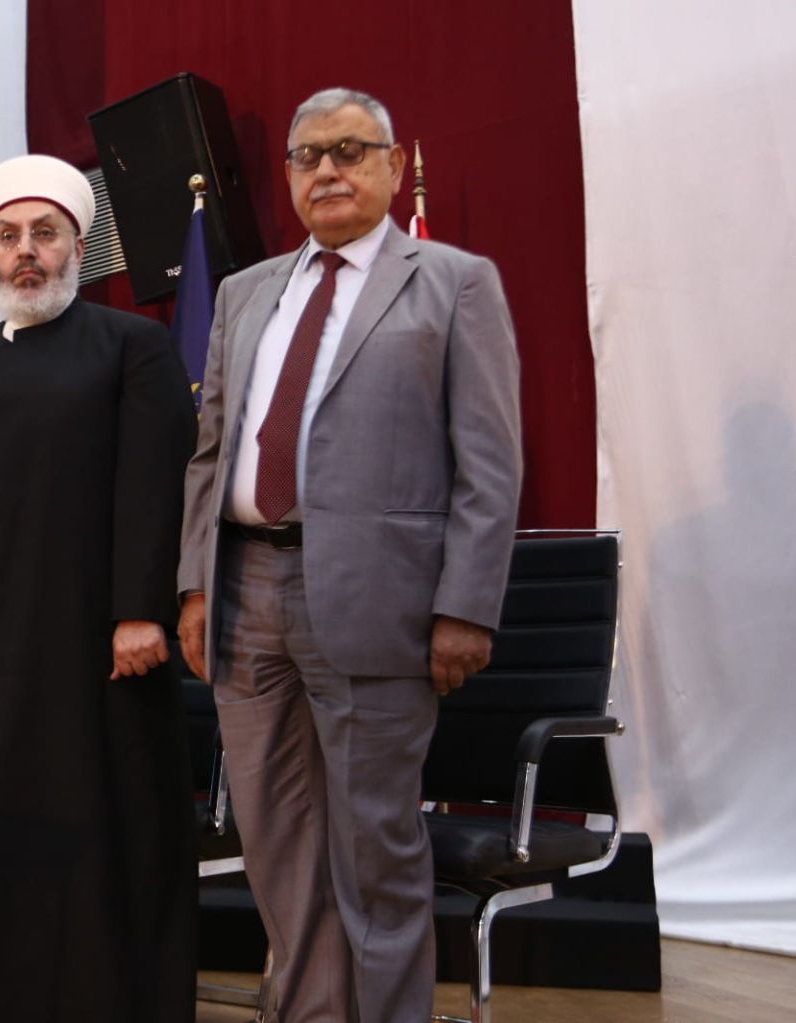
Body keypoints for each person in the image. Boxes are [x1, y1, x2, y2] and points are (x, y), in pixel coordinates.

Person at [177, 88, 523, 1022]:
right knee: (276, 844)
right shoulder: (246, 291)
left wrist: (466, 605)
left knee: (375, 849)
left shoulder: (454, 282)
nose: (326, 169)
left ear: (394, 165)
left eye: (349, 150)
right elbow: (212, 452)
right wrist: (195, 585)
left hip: (381, 603)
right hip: (244, 592)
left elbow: (490, 463)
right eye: (308, 156)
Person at [0, 154, 198, 1023]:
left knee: (94, 831)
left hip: (93, 645)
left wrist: (140, 609)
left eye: (45, 234)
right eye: (9, 236)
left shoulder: (132, 347)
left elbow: (156, 486)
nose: (26, 251)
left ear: (76, 247)